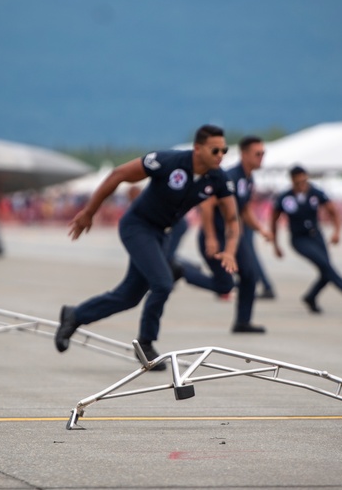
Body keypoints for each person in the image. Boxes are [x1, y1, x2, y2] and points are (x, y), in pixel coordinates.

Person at [54, 125, 239, 371]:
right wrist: (89, 212)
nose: (221, 155)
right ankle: (146, 344)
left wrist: (230, 250)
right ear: (197, 149)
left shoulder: (218, 178)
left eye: (224, 150)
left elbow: (232, 220)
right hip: (137, 227)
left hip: (162, 235)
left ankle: (75, 315)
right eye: (215, 150)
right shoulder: (167, 161)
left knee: (129, 296)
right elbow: (117, 174)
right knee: (162, 283)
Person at [178, 136, 275, 333]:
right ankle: (182, 271)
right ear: (245, 154)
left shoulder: (248, 179)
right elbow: (207, 205)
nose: (261, 158)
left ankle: (242, 322)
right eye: (258, 154)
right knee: (225, 285)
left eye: (263, 153)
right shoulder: (229, 177)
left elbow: (243, 210)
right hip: (215, 237)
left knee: (250, 275)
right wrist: (211, 237)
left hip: (232, 238)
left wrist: (261, 229)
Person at [270, 165, 342, 314]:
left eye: (304, 181)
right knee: (325, 265)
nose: (302, 185)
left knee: (326, 269)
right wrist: (275, 245)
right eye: (298, 182)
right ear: (292, 181)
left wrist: (337, 232)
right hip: (299, 239)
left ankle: (311, 297)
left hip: (316, 236)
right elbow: (274, 221)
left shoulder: (316, 193)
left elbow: (333, 212)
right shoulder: (285, 197)